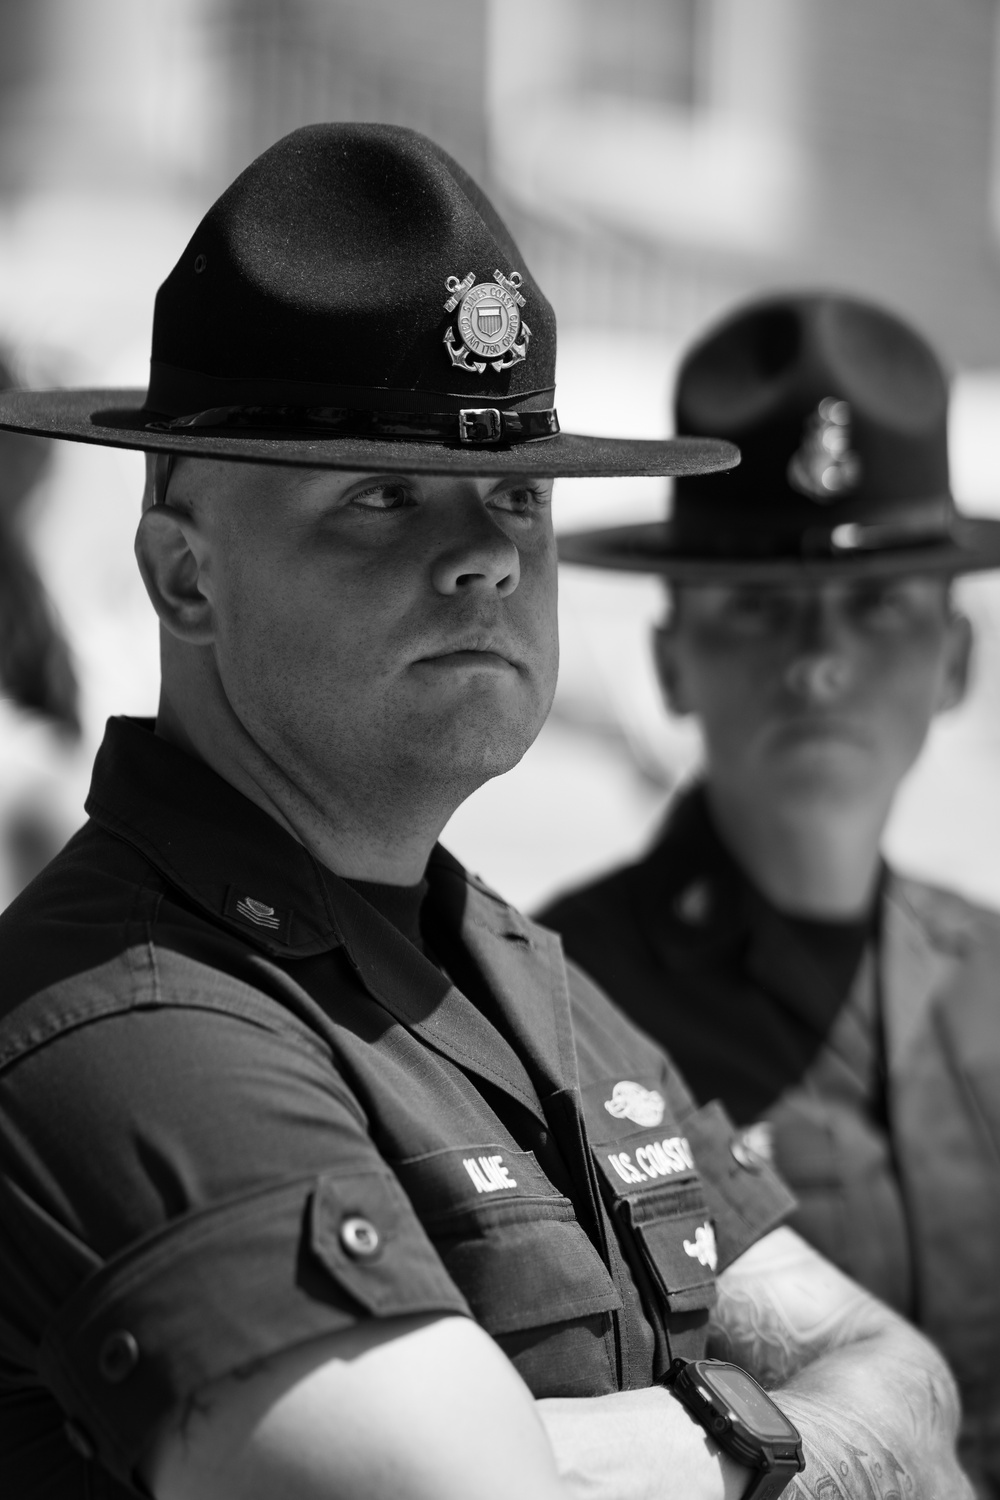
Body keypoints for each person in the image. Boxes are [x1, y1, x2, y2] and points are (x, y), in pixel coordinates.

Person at [0, 136, 971, 1500]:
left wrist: (624, 1452)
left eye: (520, 493)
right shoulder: (128, 1017)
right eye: (381, 499)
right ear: (184, 576)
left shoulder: (514, 971)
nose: (490, 553)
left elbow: (906, 1384)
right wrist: (776, 1431)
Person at [540, 292, 1000, 1497]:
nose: (820, 662)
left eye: (878, 605)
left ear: (957, 660)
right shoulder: (559, 1014)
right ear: (669, 660)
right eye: (757, 608)